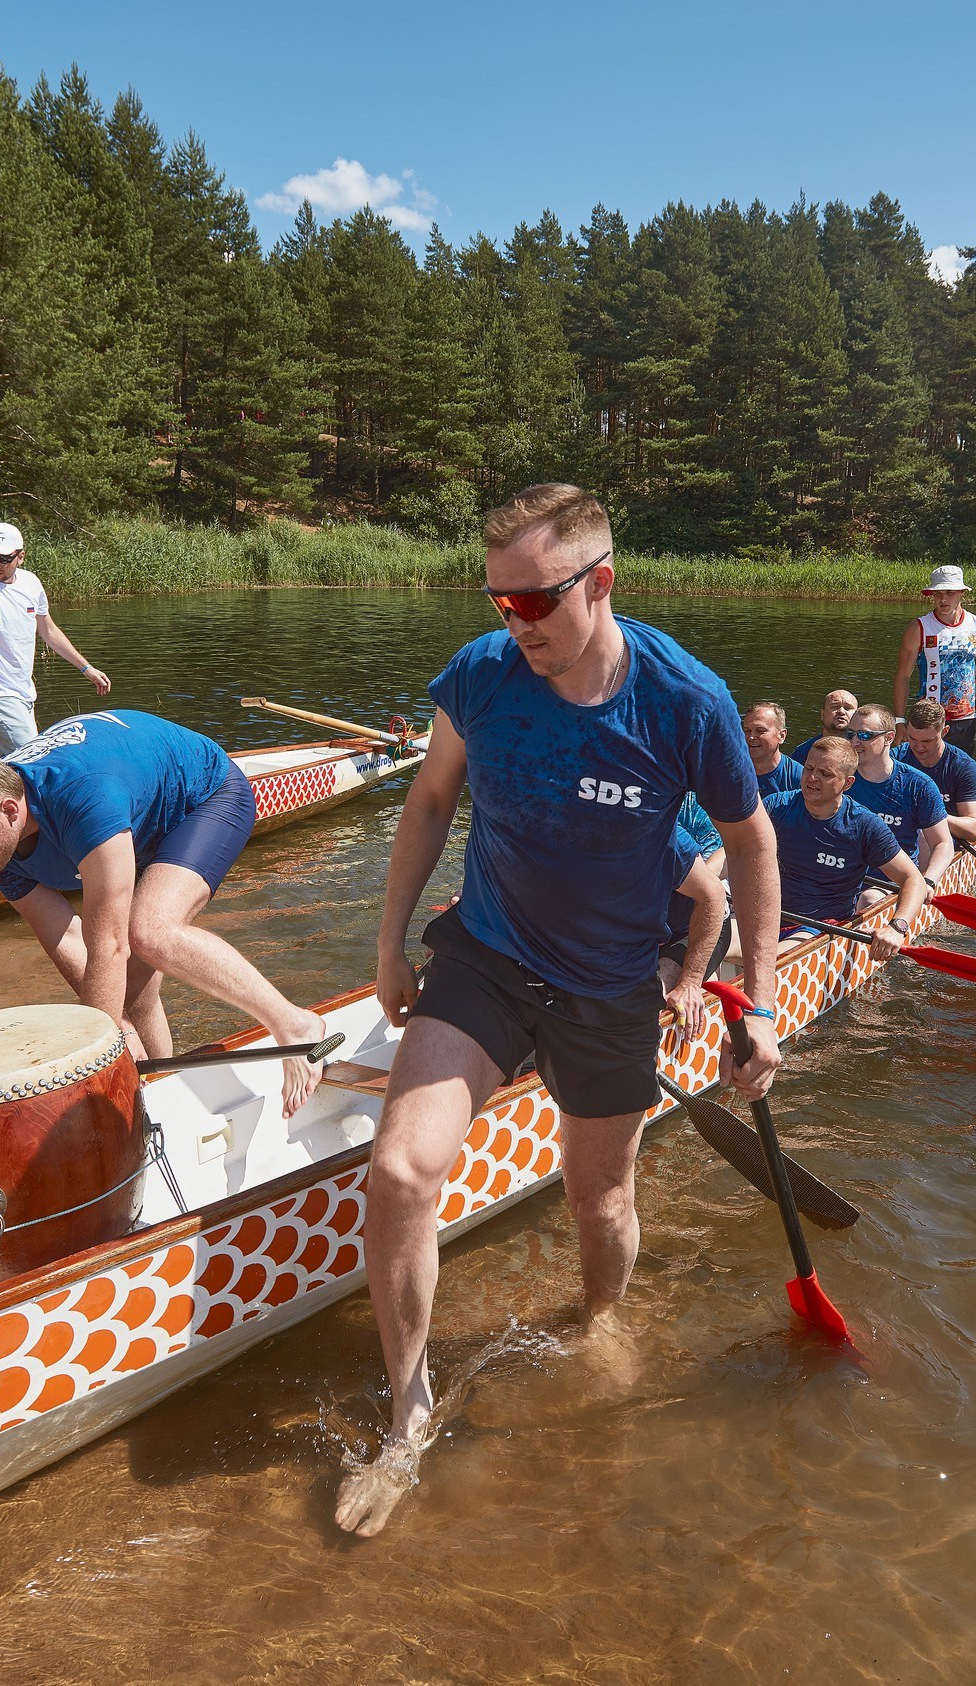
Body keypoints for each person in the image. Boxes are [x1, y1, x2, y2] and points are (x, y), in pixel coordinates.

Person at [342, 482, 782, 1538]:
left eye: (534, 602)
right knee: (399, 1173)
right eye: (498, 601)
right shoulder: (481, 674)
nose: (515, 624)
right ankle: (407, 1415)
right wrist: (389, 943)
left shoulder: (686, 701)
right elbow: (430, 800)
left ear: (600, 583)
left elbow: (752, 847)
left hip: (607, 987)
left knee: (600, 1203)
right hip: (486, 958)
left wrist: (759, 1004)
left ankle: (600, 1318)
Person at [0, 713, 330, 1113]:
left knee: (150, 932)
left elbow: (110, 945)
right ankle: (158, 1090)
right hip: (130, 809)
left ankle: (294, 1024)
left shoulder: (82, 799)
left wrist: (91, 1063)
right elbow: (64, 934)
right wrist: (119, 1030)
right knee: (130, 994)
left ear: (9, 811)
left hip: (202, 796)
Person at [0, 522, 110, 755]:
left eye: (4, 558)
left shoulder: (31, 583)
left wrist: (86, 668)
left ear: (21, 557)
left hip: (24, 692)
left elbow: (49, 631)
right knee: (33, 757)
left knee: (16, 762)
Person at [769, 736, 925, 946]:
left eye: (825, 774)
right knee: (720, 941)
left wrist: (897, 927)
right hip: (765, 916)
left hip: (820, 928)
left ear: (848, 783)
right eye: (809, 768)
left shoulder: (864, 825)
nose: (812, 778)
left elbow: (913, 879)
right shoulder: (776, 806)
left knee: (768, 959)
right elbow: (735, 850)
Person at [842, 703, 955, 895]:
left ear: (889, 738)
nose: (854, 742)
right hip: (840, 877)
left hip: (890, 884)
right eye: (850, 734)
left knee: (869, 899)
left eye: (864, 735)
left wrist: (928, 881)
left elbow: (942, 844)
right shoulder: (838, 776)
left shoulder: (919, 785)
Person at [892, 564, 976, 755]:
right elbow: (903, 676)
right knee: (925, 769)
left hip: (965, 719)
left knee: (960, 769)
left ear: (962, 593)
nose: (943, 599)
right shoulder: (919, 628)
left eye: (950, 592)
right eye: (938, 593)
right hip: (927, 719)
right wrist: (899, 721)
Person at [658, 797, 731, 1040]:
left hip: (695, 925)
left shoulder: (690, 813)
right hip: (646, 931)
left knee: (650, 995)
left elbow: (713, 894)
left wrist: (689, 982)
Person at [893, 699, 976, 845]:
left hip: (943, 841)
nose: (918, 747)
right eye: (912, 738)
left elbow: (974, 830)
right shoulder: (895, 759)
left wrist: (930, 815)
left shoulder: (963, 767)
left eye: (927, 741)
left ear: (944, 732)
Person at [742, 701, 802, 800]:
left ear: (781, 736)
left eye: (760, 731)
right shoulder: (729, 771)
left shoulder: (799, 778)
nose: (751, 737)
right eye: (747, 731)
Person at [790, 688, 858, 763]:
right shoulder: (803, 751)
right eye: (835, 707)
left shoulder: (863, 750)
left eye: (848, 708)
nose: (841, 712)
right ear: (822, 714)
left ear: (856, 715)